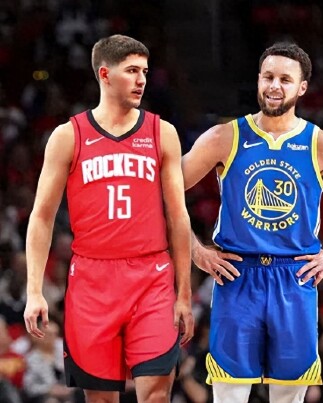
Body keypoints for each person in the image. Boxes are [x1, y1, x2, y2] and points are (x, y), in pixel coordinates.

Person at [181, 42, 323, 403]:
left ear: (302, 87)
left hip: (294, 277)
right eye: (268, 77)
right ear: (258, 80)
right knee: (229, 393)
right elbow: (162, 192)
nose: (274, 86)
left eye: (285, 79)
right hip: (237, 275)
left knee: (289, 395)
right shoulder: (224, 137)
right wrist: (195, 251)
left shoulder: (321, 144)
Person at [24, 34, 194, 403]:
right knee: (100, 398)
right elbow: (41, 217)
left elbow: (178, 218)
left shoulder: (162, 132)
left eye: (144, 71)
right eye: (131, 71)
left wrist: (184, 293)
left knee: (156, 394)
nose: (141, 79)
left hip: (151, 276)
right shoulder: (68, 136)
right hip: (92, 279)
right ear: (104, 74)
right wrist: (34, 290)